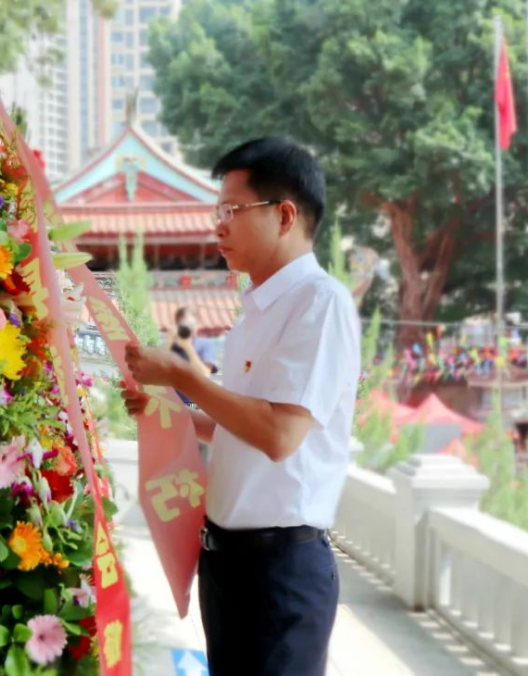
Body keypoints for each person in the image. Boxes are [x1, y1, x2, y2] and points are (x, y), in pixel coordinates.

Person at [122, 137, 361, 676]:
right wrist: (172, 415)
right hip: (229, 561)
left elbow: (279, 435)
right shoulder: (255, 310)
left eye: (232, 209)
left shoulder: (320, 303)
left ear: (284, 215)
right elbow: (241, 428)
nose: (219, 224)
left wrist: (183, 376)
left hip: (281, 569)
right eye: (217, 210)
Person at [167, 306, 212, 404]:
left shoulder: (204, 345)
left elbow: (206, 374)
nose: (187, 329)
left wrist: (188, 348)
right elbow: (160, 369)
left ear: (197, 325)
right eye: (182, 325)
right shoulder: (173, 346)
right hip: (173, 402)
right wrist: (169, 341)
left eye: (190, 324)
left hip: (194, 404)